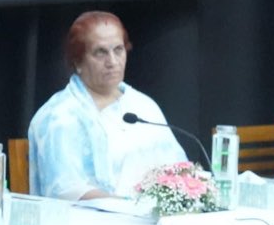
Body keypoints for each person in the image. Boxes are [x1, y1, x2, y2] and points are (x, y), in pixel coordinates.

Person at [28, 10, 187, 201]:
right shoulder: (58, 116)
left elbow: (178, 170)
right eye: (100, 52)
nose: (112, 62)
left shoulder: (143, 106)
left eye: (118, 50)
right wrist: (129, 208)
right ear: (78, 61)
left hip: (150, 220)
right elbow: (65, 190)